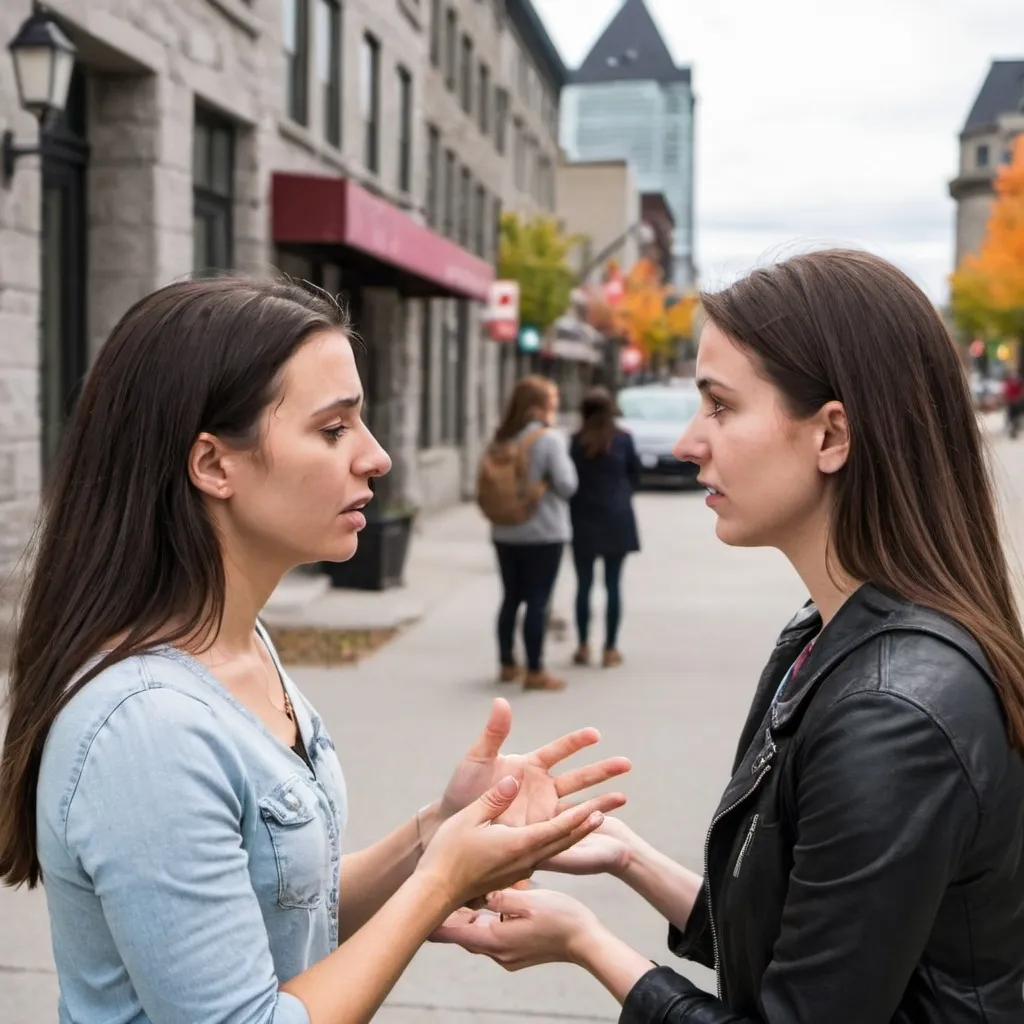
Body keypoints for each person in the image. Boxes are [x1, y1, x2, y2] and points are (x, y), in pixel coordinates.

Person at [0, 277, 632, 1024]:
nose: (378, 457)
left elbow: (284, 910)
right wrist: (439, 881)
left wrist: (438, 830)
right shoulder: (146, 728)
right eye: (333, 430)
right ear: (213, 465)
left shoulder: (241, 645)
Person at [433, 249, 1024, 1022]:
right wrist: (626, 855)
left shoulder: (893, 713)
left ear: (831, 436)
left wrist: (589, 945)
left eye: (720, 406)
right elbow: (810, 943)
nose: (687, 442)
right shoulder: (825, 636)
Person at [490, 375, 578, 691]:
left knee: (511, 597)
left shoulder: (502, 437)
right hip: (544, 533)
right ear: (539, 407)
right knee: (538, 601)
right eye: (552, 402)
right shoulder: (549, 439)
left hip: (504, 530)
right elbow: (568, 485)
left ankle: (506, 664)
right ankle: (535, 670)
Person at [569, 387, 642, 668]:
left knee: (584, 586)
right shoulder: (623, 440)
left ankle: (583, 645)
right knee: (613, 585)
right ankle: (610, 648)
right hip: (617, 520)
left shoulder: (575, 442)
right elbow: (635, 476)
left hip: (583, 521)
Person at [1004, 369, 1023, 437]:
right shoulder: (1009, 383)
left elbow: (1021, 392)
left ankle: (1015, 428)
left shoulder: (1018, 384)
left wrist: (1018, 399)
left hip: (1016, 402)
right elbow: (1006, 392)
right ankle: (1012, 429)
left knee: (1016, 417)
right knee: (1011, 416)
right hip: (1011, 402)